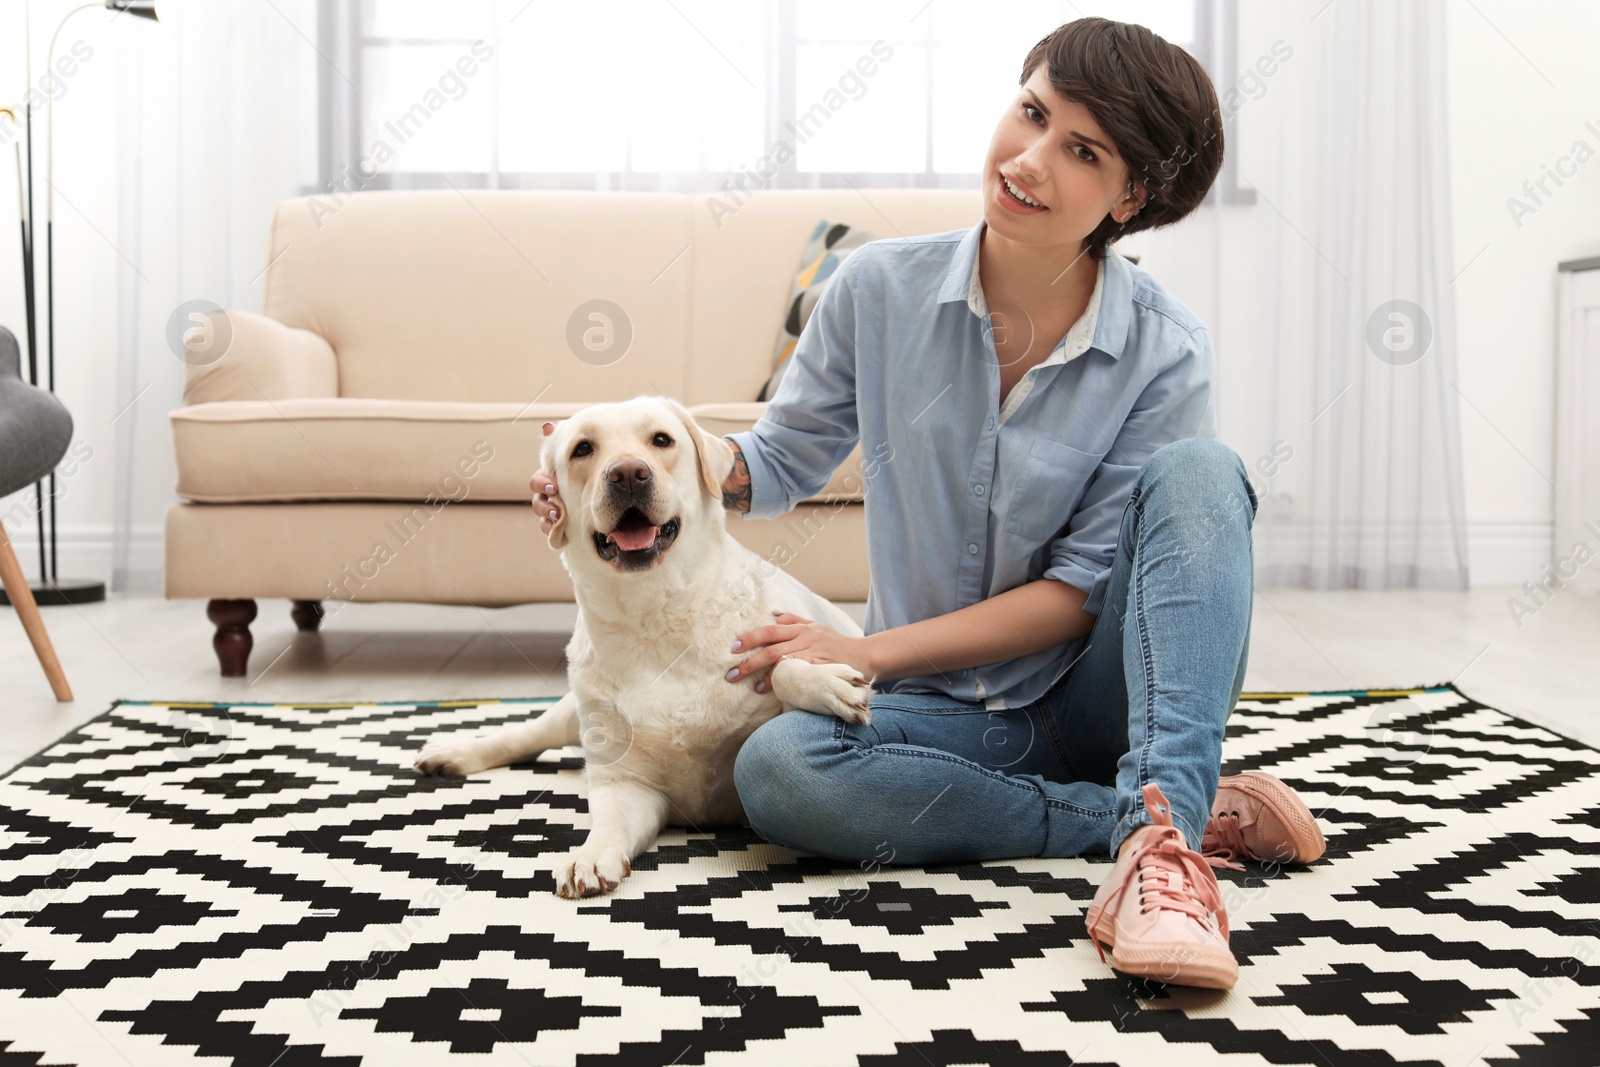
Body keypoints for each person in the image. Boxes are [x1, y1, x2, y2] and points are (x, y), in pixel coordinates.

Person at [530, 17, 1324, 990]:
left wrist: (862, 650)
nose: (1027, 160)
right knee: (779, 769)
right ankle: (1154, 814)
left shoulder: (1166, 347)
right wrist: (622, 461)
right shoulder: (875, 290)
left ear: (1132, 195)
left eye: (1081, 150)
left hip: (1097, 692)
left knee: (1203, 471)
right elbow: (774, 462)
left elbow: (1080, 594)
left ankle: (1161, 852)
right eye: (1030, 113)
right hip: (937, 715)